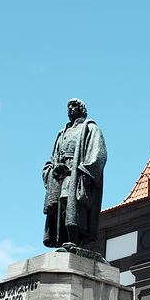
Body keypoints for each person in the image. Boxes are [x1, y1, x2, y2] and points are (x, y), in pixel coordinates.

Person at [43, 98, 107, 248]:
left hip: (76, 172)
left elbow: (98, 154)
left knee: (69, 200)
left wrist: (82, 171)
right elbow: (53, 156)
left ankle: (73, 239)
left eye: (73, 106)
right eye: (68, 107)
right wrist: (53, 167)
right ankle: (63, 240)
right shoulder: (62, 132)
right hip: (59, 173)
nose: (69, 109)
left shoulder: (90, 128)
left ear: (81, 109)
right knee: (59, 205)